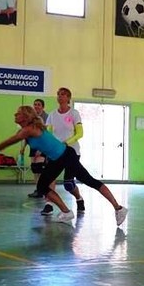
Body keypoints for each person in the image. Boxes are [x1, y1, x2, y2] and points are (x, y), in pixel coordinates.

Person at [0, 106, 128, 226]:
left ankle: (119, 208)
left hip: (67, 156)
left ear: (25, 116)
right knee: (42, 186)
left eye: (18, 113)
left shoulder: (28, 129)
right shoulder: (27, 130)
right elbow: (43, 142)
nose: (15, 115)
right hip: (56, 159)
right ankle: (66, 212)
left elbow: (8, 142)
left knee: (89, 181)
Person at [43, 87, 86, 216]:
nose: (60, 96)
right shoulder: (52, 115)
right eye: (58, 94)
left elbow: (80, 133)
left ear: (68, 98)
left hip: (72, 152)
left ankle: (79, 198)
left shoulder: (74, 113)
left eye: (63, 94)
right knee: (49, 178)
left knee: (68, 184)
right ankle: (49, 204)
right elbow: (48, 133)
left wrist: (66, 143)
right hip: (56, 152)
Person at [21, 98, 48, 199]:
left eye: (38, 105)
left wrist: (41, 149)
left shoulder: (46, 117)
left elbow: (46, 134)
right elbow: (27, 133)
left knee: (39, 168)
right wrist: (23, 147)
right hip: (33, 145)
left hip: (42, 146)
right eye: (35, 104)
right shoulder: (31, 118)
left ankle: (43, 189)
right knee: (34, 169)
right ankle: (38, 189)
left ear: (43, 107)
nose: (36, 106)